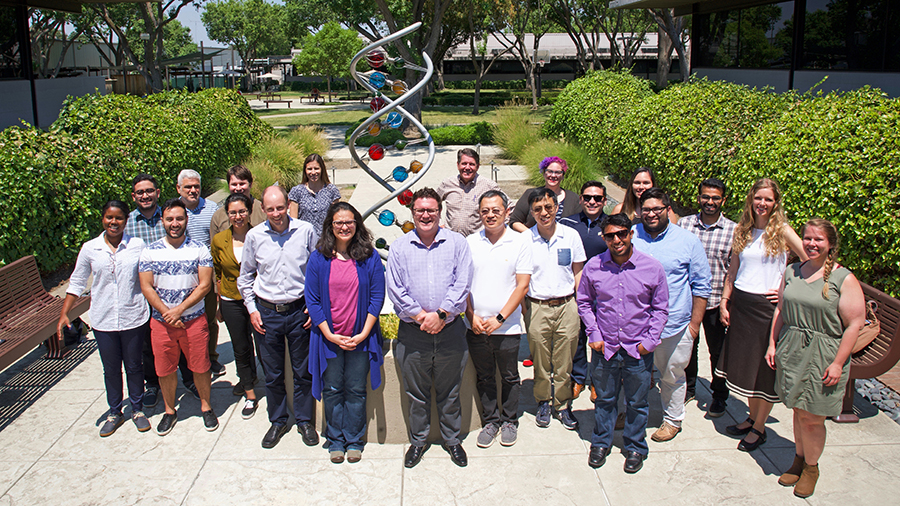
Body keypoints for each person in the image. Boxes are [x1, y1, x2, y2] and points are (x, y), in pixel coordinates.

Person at [765, 219, 865, 498]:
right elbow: (781, 310)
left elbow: (855, 323)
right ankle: (798, 458)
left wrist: (837, 363)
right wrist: (772, 344)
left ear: (830, 244)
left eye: (818, 240)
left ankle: (811, 467)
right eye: (807, 238)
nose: (811, 243)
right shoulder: (792, 271)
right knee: (797, 410)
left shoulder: (842, 278)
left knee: (812, 417)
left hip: (824, 353)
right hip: (793, 348)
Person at [716, 178, 806, 452]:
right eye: (758, 198)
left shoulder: (783, 231)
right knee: (747, 367)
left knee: (763, 370)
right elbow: (733, 269)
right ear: (751, 199)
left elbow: (807, 260)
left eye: (768, 199)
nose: (762, 204)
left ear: (776, 202)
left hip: (766, 310)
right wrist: (724, 300)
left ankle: (759, 428)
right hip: (741, 305)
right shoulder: (742, 230)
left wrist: (785, 289)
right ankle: (752, 418)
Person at [386, 187, 473, 469]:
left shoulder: (457, 243)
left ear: (440, 212)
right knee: (416, 392)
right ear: (412, 213)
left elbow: (463, 284)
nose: (426, 215)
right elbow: (396, 289)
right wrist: (423, 316)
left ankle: (452, 440)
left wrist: (441, 314)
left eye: (431, 210)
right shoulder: (399, 248)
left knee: (450, 391)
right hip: (413, 333)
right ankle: (419, 441)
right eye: (420, 210)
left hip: (450, 331)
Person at [577, 213, 668, 474]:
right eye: (610, 235)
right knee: (604, 399)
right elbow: (583, 301)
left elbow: (660, 309)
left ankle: (635, 446)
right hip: (605, 348)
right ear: (604, 238)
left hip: (637, 349)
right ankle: (601, 443)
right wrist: (593, 333)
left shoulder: (652, 267)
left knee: (637, 402)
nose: (616, 240)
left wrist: (649, 342)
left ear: (630, 234)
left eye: (621, 234)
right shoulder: (594, 266)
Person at [58, 200, 151, 437]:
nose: (114, 222)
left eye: (119, 217)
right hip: (103, 318)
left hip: (133, 315)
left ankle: (138, 410)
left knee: (134, 365)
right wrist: (64, 313)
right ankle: (115, 411)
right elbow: (78, 282)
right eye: (109, 217)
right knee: (110, 368)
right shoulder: (90, 248)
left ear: (126, 220)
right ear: (102, 219)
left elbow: (149, 276)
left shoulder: (137, 245)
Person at [239, 185, 319, 449]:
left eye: (280, 207)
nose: (276, 213)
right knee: (272, 374)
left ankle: (305, 420)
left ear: (288, 206)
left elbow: (318, 269)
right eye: (270, 208)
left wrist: (313, 305)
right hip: (267, 314)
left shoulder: (305, 231)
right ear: (262, 209)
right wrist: (252, 310)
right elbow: (245, 276)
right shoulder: (254, 236)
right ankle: (278, 420)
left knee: (303, 371)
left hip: (299, 312)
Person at [306, 202, 386, 464]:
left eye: (349, 222)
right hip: (329, 339)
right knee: (332, 389)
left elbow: (377, 296)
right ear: (331, 225)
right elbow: (313, 299)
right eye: (339, 222)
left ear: (357, 224)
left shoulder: (369, 256)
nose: (344, 227)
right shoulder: (319, 258)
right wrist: (328, 334)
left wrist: (364, 333)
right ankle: (336, 439)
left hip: (359, 339)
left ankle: (354, 439)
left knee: (355, 389)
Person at [631, 188, 711, 443]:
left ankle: (672, 420)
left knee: (672, 374)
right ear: (639, 211)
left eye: (657, 209)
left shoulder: (688, 241)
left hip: (674, 324)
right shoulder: (630, 236)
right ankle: (631, 415)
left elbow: (702, 284)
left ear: (667, 210)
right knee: (633, 374)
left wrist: (694, 325)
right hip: (636, 324)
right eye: (646, 209)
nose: (651, 214)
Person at [138, 199, 218, 436]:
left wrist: (179, 309)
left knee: (201, 366)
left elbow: (204, 285)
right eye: (170, 219)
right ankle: (170, 410)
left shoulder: (199, 249)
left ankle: (206, 406)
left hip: (193, 320)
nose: (175, 223)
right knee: (164, 369)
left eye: (180, 219)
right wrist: (167, 312)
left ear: (187, 220)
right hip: (162, 323)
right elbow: (146, 286)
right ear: (162, 220)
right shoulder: (149, 251)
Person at [465, 190, 532, 448]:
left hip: (508, 326)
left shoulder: (520, 242)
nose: (490, 215)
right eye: (485, 211)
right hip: (476, 326)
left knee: (509, 376)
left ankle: (509, 421)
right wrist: (471, 316)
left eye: (496, 210)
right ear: (479, 213)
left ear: (506, 211)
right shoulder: (470, 242)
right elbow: (463, 285)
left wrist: (500, 318)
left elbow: (522, 286)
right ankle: (491, 421)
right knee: (484, 376)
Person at [523, 188, 586, 431]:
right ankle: (543, 401)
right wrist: (524, 310)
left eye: (548, 207)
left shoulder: (570, 236)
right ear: (532, 212)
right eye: (538, 209)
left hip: (567, 305)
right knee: (540, 360)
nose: (544, 213)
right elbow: (521, 278)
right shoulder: (525, 239)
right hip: (537, 306)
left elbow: (578, 271)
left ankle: (562, 404)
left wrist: (580, 305)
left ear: (557, 208)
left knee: (564, 360)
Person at [677, 178, 737, 416]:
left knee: (718, 351)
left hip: (715, 301)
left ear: (723, 200)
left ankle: (719, 395)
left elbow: (733, 271)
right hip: (687, 300)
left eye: (715, 198)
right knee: (688, 346)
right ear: (699, 197)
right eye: (705, 197)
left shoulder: (732, 231)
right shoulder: (685, 225)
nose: (709, 202)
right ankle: (689, 388)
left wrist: (726, 302)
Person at [211, 193, 262, 420]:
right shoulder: (219, 240)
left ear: (249, 211)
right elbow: (217, 271)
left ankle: (266, 380)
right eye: (233, 212)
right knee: (241, 348)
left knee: (263, 345)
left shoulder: (261, 234)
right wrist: (219, 302)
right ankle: (249, 390)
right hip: (232, 299)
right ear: (227, 214)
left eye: (242, 211)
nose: (238, 216)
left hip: (260, 299)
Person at [559, 181, 608, 402]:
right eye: (587, 197)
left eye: (597, 198)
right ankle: (578, 378)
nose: (592, 202)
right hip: (575, 291)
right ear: (581, 199)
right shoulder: (568, 223)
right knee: (577, 338)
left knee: (600, 339)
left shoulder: (611, 225)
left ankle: (598, 381)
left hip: (605, 294)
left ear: (604, 201)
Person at [177, 169, 225, 378]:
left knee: (209, 318)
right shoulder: (174, 210)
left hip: (207, 273)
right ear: (179, 188)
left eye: (196, 186)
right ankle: (187, 361)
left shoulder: (212, 209)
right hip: (181, 275)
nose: (193, 190)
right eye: (188, 187)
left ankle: (210, 357)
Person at [125, 174, 164, 409]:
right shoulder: (127, 223)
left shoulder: (170, 216)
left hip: (172, 289)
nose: (145, 196)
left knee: (177, 337)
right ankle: (153, 383)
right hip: (142, 293)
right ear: (133, 196)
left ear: (157, 192)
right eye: (140, 192)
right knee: (147, 343)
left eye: (149, 191)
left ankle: (189, 379)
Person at [436, 147, 500, 236]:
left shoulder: (488, 186)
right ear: (458, 165)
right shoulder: (447, 184)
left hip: (477, 242)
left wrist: (495, 229)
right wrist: (439, 223)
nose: (467, 167)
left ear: (478, 166)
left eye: (472, 164)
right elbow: (432, 204)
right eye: (464, 163)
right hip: (450, 238)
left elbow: (509, 208)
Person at [509, 156, 582, 233]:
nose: (553, 175)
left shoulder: (573, 198)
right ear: (544, 173)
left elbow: (580, 223)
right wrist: (532, 236)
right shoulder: (530, 194)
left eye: (557, 172)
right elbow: (515, 221)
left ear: (563, 176)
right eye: (549, 171)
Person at [289, 153, 341, 234]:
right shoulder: (297, 191)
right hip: (304, 238)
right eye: (309, 169)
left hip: (326, 239)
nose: (313, 172)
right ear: (305, 170)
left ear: (322, 169)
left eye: (316, 168)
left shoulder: (331, 190)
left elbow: (336, 218)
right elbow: (293, 222)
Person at [209, 164, 267, 238]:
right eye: (234, 184)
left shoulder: (263, 211)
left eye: (242, 184)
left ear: (250, 184)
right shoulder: (218, 216)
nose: (238, 188)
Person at [612, 167, 678, 224]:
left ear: (653, 185)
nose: (641, 187)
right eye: (637, 183)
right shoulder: (620, 210)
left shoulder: (665, 211)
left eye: (646, 183)